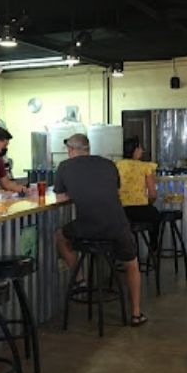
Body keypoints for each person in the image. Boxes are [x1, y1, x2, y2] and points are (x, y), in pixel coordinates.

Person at [54, 134, 147, 326]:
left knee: (60, 236)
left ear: (71, 150)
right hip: (117, 226)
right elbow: (114, 192)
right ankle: (136, 313)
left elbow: (60, 200)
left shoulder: (64, 167)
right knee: (131, 263)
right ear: (87, 148)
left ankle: (80, 280)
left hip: (87, 227)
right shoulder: (108, 164)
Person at [116, 137, 160, 234]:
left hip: (121, 212)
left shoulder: (116, 165)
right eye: (140, 148)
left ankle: (131, 247)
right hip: (141, 210)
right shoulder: (145, 167)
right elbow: (153, 194)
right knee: (155, 216)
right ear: (135, 150)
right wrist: (149, 203)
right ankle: (153, 247)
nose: (142, 151)